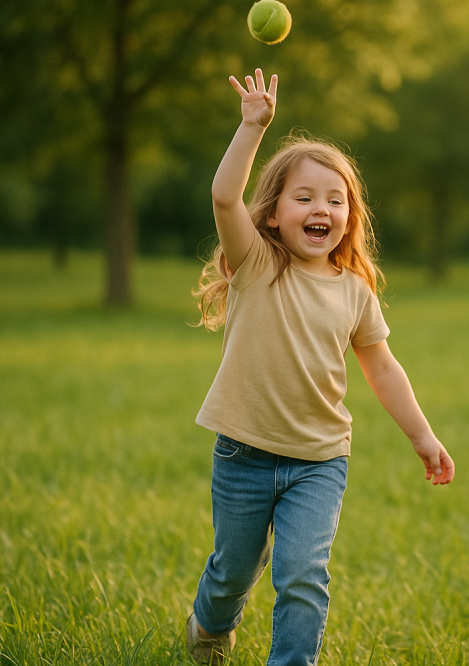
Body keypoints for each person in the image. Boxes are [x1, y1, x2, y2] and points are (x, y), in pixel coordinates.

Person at [185, 68, 454, 666]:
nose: (320, 209)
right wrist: (252, 127)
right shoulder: (256, 263)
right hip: (244, 454)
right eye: (304, 197)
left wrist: (424, 436)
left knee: (303, 574)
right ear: (275, 213)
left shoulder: (354, 290)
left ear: (350, 217)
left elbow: (383, 368)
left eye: (335, 201)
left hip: (319, 460)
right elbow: (225, 196)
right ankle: (209, 624)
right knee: (234, 572)